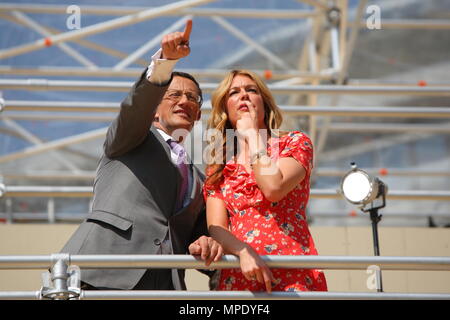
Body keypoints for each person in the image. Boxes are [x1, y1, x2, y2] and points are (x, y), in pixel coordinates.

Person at [61, 20, 223, 290]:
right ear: (154, 108)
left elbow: (196, 234)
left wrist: (206, 241)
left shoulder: (199, 178)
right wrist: (165, 64)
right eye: (174, 95)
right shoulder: (130, 138)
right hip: (103, 272)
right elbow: (135, 107)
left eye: (193, 99)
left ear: (197, 116)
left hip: (164, 285)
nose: (184, 101)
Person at [203, 69, 327, 293]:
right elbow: (217, 228)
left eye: (252, 90)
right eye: (234, 92)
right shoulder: (218, 167)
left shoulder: (295, 143)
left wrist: (252, 136)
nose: (244, 95)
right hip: (242, 273)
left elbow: (273, 188)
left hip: (292, 268)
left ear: (264, 103)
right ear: (224, 108)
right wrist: (242, 252)